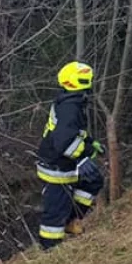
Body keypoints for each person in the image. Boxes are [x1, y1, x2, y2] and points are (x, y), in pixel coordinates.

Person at [36, 62, 106, 250]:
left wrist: (90, 145)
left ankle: (71, 220)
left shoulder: (72, 101)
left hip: (64, 162)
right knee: (55, 212)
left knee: (93, 181)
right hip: (56, 166)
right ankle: (50, 248)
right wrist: (82, 159)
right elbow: (63, 142)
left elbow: (74, 133)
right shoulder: (70, 107)